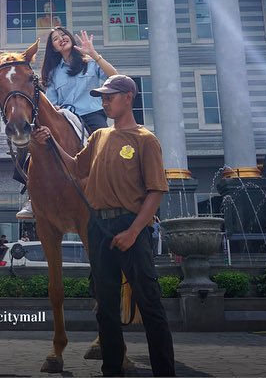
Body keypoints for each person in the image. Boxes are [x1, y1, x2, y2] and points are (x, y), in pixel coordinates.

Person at [34, 74, 175, 377]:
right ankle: (111, 369)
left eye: (110, 96)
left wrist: (134, 231)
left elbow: (156, 191)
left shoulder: (145, 140)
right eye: (102, 97)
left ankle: (165, 371)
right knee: (106, 307)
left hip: (131, 227)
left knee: (150, 304)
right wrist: (51, 143)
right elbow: (74, 166)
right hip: (99, 227)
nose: (104, 101)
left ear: (128, 97)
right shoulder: (99, 137)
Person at [16, 27, 119, 220]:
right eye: (55, 39)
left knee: (108, 145)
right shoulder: (54, 73)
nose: (61, 39)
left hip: (91, 115)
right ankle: (32, 196)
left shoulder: (90, 63)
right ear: (53, 48)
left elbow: (115, 78)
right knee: (34, 143)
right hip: (65, 116)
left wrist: (95, 54)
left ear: (71, 39)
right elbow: (52, 103)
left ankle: (114, 190)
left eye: (63, 35)